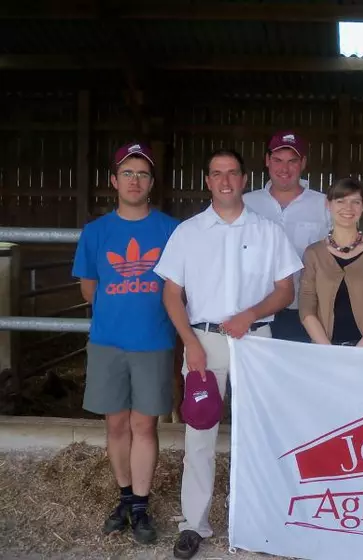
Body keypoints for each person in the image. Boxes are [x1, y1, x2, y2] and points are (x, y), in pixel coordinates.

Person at [154, 148, 302, 559]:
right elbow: (171, 293)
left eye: (232, 173)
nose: (225, 181)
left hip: (257, 342)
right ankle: (193, 524)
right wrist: (190, 343)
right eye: (216, 173)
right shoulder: (189, 232)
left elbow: (285, 290)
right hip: (205, 342)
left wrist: (250, 314)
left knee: (260, 432)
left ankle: (261, 520)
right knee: (199, 433)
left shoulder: (268, 231)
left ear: (243, 179)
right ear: (207, 181)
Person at [72, 142, 179, 544]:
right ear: (115, 181)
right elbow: (88, 289)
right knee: (116, 424)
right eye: (128, 173)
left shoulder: (170, 229)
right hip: (107, 343)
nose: (135, 181)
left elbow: (179, 286)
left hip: (152, 342)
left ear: (152, 183)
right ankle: (122, 496)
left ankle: (140, 503)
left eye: (143, 174)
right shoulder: (96, 232)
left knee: (144, 425)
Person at [242, 130, 329, 343]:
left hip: (304, 311)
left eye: (293, 161)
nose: (284, 168)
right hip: (254, 310)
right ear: (267, 161)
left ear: (304, 163)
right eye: (278, 160)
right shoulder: (246, 204)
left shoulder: (324, 204)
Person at [298, 177, 363, 346]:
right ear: (328, 205)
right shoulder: (314, 253)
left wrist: (358, 352)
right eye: (340, 201)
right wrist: (328, 351)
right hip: (324, 351)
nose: (348, 208)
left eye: (355, 202)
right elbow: (307, 307)